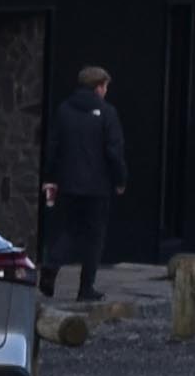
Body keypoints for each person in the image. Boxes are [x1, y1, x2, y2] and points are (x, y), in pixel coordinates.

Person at [42, 64, 132, 298]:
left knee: (69, 229)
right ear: (99, 87)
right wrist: (120, 179)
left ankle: (51, 264)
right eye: (105, 86)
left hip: (68, 183)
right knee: (94, 237)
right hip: (97, 186)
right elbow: (114, 151)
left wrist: (50, 177)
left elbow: (53, 147)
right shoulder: (107, 113)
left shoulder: (64, 110)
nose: (106, 91)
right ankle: (85, 287)